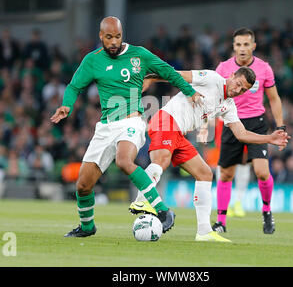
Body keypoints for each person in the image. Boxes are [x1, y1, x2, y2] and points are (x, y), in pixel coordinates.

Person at [50, 16, 203, 237]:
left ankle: (163, 211)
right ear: (101, 36)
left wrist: (189, 92)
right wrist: (66, 106)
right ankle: (87, 227)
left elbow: (168, 72)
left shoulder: (139, 54)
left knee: (124, 161)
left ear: (123, 35)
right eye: (109, 37)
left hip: (131, 121)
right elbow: (74, 86)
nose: (114, 42)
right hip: (105, 127)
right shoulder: (92, 60)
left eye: (118, 36)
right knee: (83, 186)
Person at [129, 67, 289, 242]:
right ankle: (142, 199)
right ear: (232, 75)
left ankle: (204, 231)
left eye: (243, 90)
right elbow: (177, 75)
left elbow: (242, 134)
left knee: (205, 174)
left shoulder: (228, 106)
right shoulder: (211, 78)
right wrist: (151, 79)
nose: (237, 90)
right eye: (238, 84)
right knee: (162, 160)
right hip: (166, 120)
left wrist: (270, 138)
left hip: (179, 133)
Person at [213, 27, 285, 234]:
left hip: (256, 123)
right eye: (238, 44)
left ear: (253, 46)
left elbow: (274, 98)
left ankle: (266, 211)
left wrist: (280, 127)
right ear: (233, 46)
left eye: (246, 44)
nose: (242, 49)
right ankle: (221, 222)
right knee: (226, 174)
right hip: (230, 122)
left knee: (262, 172)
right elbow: (213, 94)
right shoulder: (223, 68)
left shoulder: (264, 69)